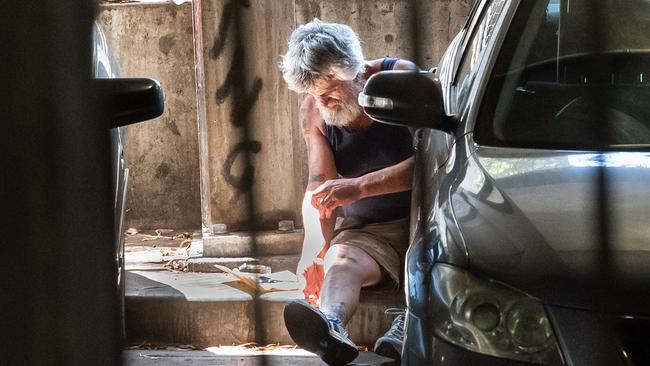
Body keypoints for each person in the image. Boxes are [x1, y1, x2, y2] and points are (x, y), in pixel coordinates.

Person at [279, 19, 416, 365]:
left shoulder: (400, 80)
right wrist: (314, 249)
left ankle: (409, 326)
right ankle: (332, 324)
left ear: (354, 70)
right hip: (370, 232)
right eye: (313, 93)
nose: (322, 100)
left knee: (434, 254)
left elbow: (434, 164)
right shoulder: (314, 109)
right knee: (339, 262)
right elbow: (319, 187)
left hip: (424, 215)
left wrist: (358, 187)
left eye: (329, 89)